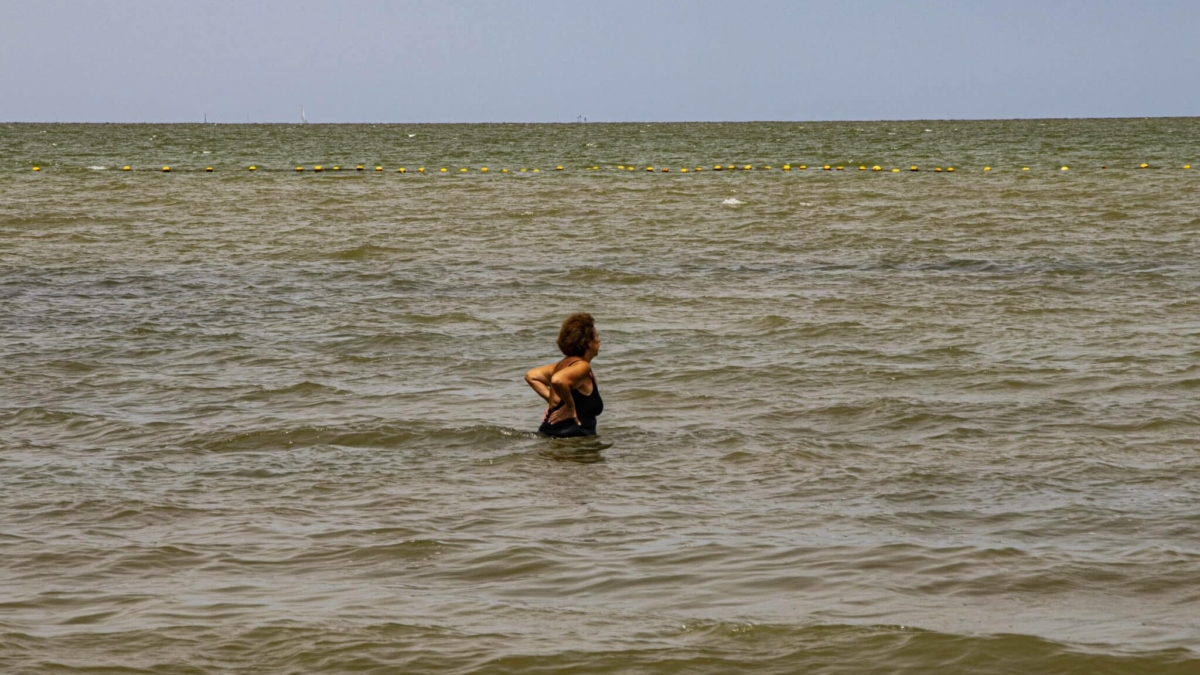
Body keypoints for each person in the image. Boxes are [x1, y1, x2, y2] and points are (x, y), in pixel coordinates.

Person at [525, 313, 603, 437]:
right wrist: (569, 407)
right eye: (597, 336)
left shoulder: (561, 365)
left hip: (552, 438)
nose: (599, 340)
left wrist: (554, 404)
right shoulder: (582, 366)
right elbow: (558, 380)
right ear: (588, 342)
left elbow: (531, 376)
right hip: (565, 443)